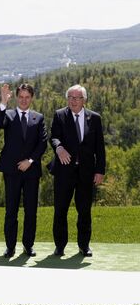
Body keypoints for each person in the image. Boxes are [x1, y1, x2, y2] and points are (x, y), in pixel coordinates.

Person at [49, 84, 105, 257]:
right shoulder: (60, 115)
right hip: (64, 172)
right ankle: (60, 246)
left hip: (86, 174)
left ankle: (84, 246)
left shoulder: (94, 118)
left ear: (84, 100)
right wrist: (59, 148)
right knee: (60, 211)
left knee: (84, 211)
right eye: (70, 97)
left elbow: (100, 148)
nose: (73, 101)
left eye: (77, 97)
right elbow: (54, 137)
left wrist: (100, 171)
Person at [0, 83, 47, 258]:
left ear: (31, 98)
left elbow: (42, 143)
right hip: (12, 171)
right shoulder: (8, 115)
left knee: (31, 211)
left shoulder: (38, 118)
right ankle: (10, 247)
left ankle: (28, 246)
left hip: (31, 172)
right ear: (16, 97)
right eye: (21, 97)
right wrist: (3, 103)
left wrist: (30, 161)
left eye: (27, 97)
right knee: (11, 211)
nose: (24, 100)